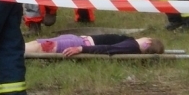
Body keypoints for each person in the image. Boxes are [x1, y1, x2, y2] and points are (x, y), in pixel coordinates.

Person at [26, 34, 164, 56]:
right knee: (35, 45)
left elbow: (107, 49)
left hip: (78, 43)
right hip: (77, 40)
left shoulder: (131, 46)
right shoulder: (130, 43)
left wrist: (81, 49)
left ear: (148, 42)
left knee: (37, 47)